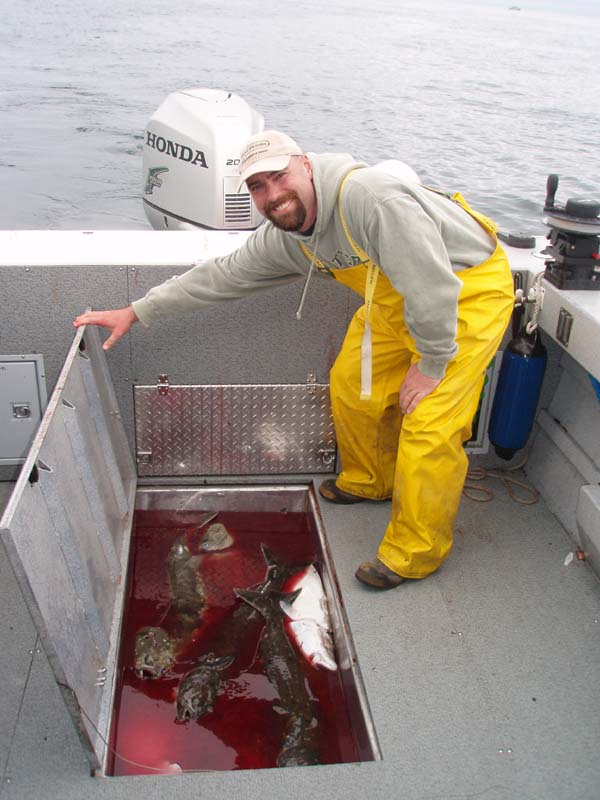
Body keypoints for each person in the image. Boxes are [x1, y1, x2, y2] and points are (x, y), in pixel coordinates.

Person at [74, 130, 514, 590]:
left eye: (279, 177)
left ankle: (416, 552)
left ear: (306, 164)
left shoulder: (369, 201)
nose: (273, 195)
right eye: (258, 187)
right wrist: (138, 311)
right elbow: (222, 277)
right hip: (394, 300)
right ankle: (370, 481)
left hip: (464, 295)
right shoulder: (289, 237)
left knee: (429, 423)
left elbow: (434, 287)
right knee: (351, 386)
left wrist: (431, 363)